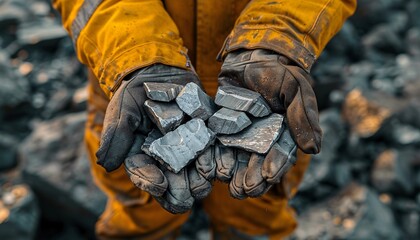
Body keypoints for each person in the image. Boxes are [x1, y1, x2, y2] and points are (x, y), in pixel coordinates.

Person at [52, 0, 357, 239]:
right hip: (130, 74)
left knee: (255, 208)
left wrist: (277, 38)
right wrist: (136, 54)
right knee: (140, 207)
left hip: (266, 76)